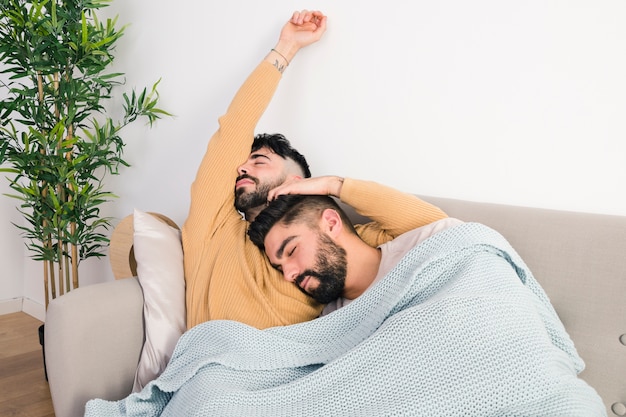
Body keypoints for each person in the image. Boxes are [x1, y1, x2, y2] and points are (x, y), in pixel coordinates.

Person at [182, 10, 449, 329]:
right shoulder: (216, 228)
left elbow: (433, 228)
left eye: (260, 161)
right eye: (243, 162)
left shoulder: (337, 242)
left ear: (297, 183)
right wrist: (285, 48)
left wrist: (334, 186)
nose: (240, 167)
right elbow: (234, 128)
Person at [248, 194, 463, 314]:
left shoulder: (433, 241)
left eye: (291, 250)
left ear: (331, 223)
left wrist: (335, 185)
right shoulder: (332, 322)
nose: (288, 275)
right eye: (279, 268)